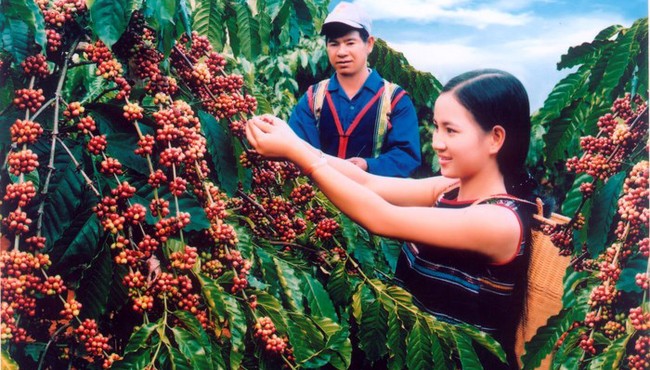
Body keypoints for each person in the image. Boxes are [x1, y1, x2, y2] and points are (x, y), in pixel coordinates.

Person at [246, 69, 540, 369]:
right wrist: (295, 145)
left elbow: (382, 217)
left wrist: (299, 156)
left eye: (451, 131)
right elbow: (367, 183)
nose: (437, 142)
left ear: (495, 139)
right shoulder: (448, 189)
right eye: (436, 127)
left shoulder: (498, 221)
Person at [288, 2, 421, 177]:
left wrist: (368, 165)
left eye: (350, 43)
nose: (342, 52)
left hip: (375, 200)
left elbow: (407, 156)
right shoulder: (313, 98)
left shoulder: (395, 100)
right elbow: (295, 146)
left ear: (369, 44)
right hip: (319, 199)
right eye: (334, 44)